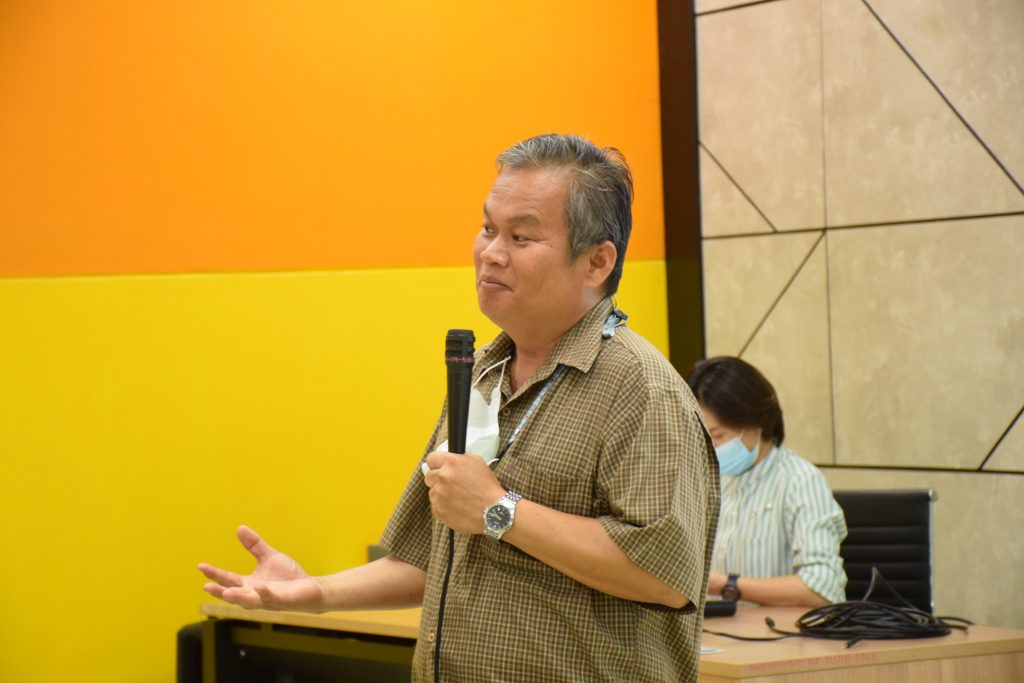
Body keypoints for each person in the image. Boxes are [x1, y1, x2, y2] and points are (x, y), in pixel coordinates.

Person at [198, 133, 720, 682]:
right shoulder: (484, 372)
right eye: (489, 229)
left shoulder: (640, 388)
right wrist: (315, 591)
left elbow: (662, 572)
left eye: (521, 236)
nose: (491, 253)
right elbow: (430, 557)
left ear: (596, 262)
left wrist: (500, 510)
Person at [686, 356, 847, 607]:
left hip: (779, 630)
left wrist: (726, 585)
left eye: (718, 436)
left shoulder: (800, 481)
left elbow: (822, 588)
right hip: (714, 630)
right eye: (703, 436)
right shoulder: (706, 482)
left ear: (755, 423)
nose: (710, 447)